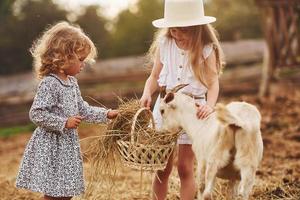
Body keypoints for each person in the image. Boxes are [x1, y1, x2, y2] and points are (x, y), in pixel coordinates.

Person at [15, 21, 118, 200]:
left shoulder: (72, 83)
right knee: (55, 194)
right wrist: (63, 122)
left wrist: (106, 114)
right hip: (52, 147)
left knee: (67, 193)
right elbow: (37, 113)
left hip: (67, 147)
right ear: (63, 56)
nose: (83, 65)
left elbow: (82, 109)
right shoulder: (50, 83)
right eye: (80, 60)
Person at [140, 0, 225, 199]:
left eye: (180, 30)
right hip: (166, 109)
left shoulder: (206, 48)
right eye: (173, 30)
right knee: (162, 167)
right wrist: (147, 93)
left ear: (195, 29)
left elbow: (213, 83)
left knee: (185, 168)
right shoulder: (165, 43)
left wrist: (209, 106)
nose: (175, 34)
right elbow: (154, 77)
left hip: (191, 111)